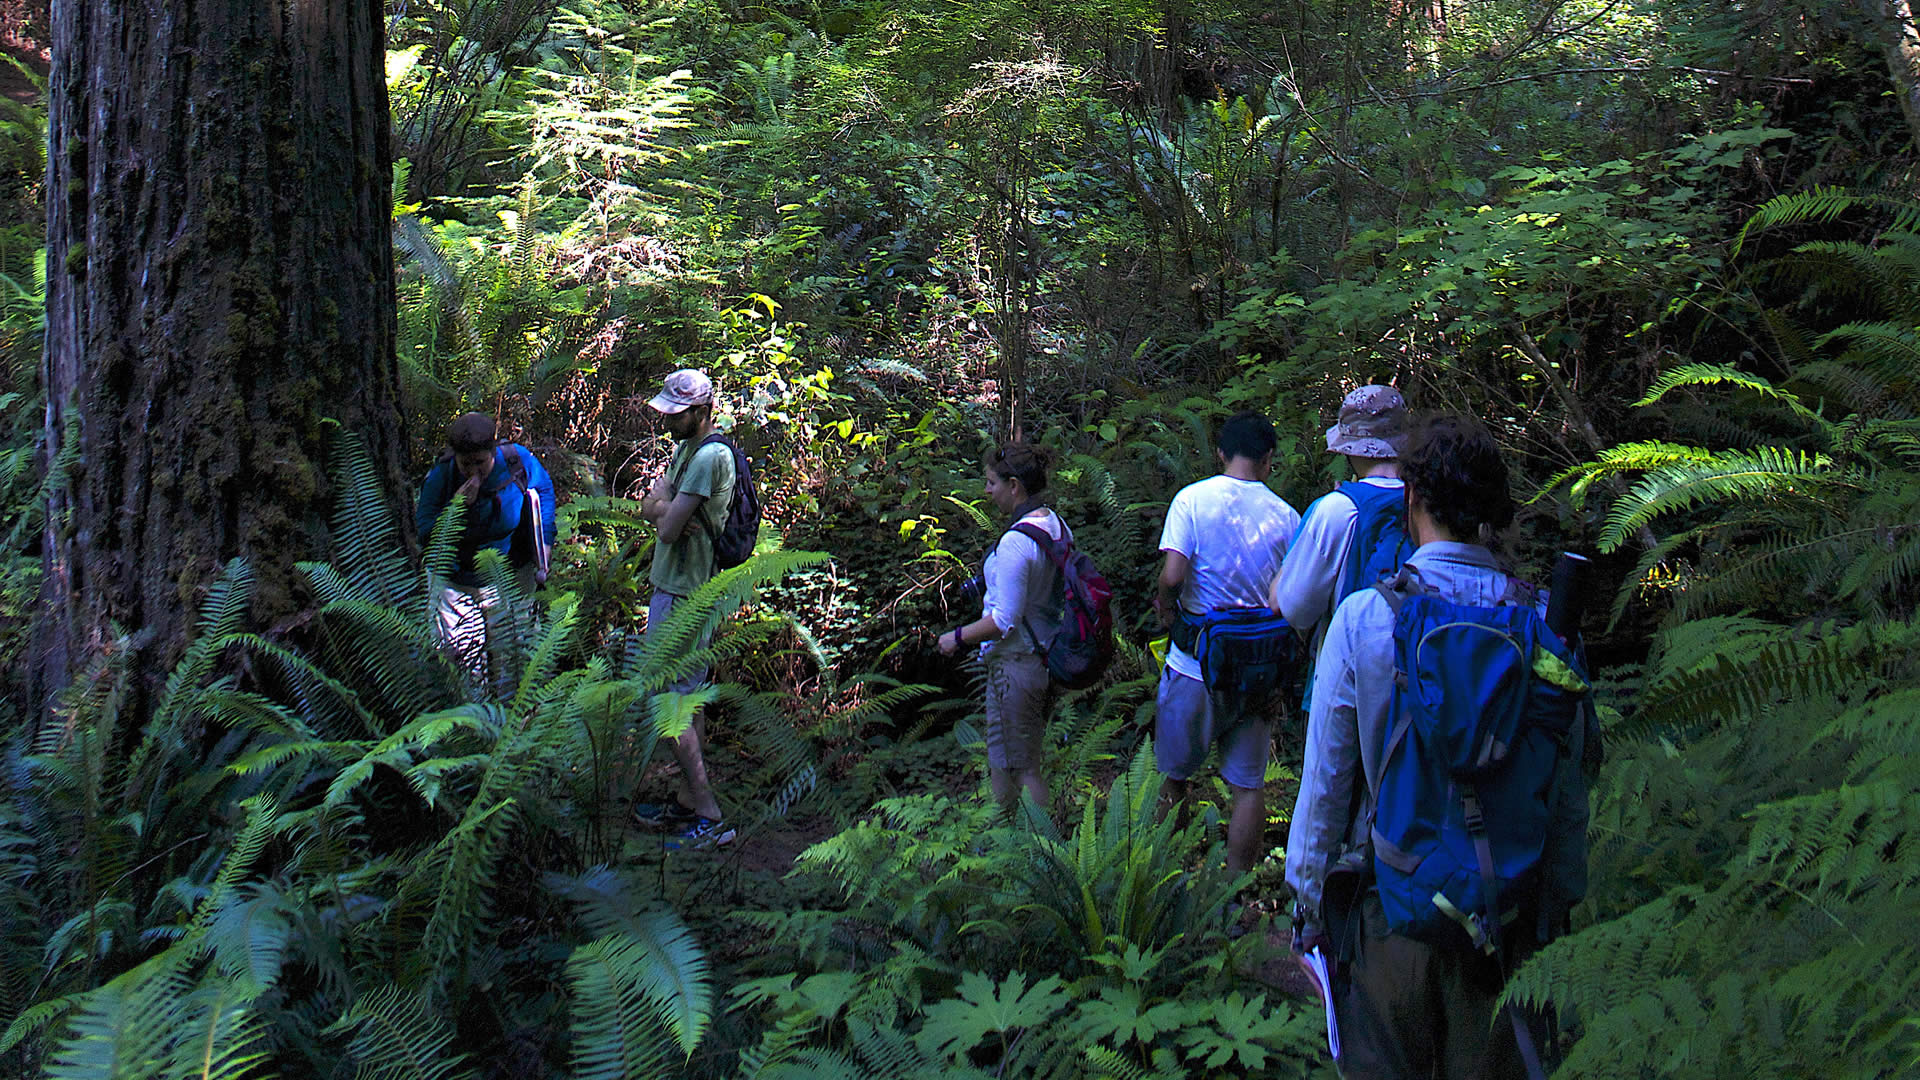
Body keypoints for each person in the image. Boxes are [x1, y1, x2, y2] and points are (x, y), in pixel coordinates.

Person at [1285, 414, 1591, 1079]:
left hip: (1388, 904)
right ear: (1494, 511)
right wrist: (1554, 913)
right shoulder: (1544, 627)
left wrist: (1311, 907)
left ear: (1412, 499)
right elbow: (1566, 791)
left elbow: (1327, 785)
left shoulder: (1368, 618)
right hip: (1508, 921)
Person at [1152, 411, 1301, 872]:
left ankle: (1164, 878)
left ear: (1219, 452)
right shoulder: (1287, 515)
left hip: (1195, 663)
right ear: (1268, 459)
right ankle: (1233, 893)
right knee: (1247, 786)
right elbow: (1291, 598)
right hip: (1256, 669)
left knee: (1173, 777)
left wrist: (1162, 604)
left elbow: (1173, 574)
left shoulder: (1192, 501)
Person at [935, 443, 1068, 810]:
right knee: (1005, 759)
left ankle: (1044, 852)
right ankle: (1003, 841)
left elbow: (1004, 620)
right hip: (1041, 655)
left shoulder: (1015, 543)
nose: (987, 491)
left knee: (1024, 768)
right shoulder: (1053, 524)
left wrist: (958, 637)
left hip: (1017, 665)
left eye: (992, 483)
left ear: (1014, 486)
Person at [636, 368, 737, 849]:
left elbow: (667, 530)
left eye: (677, 414)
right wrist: (666, 504)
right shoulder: (685, 450)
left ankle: (710, 811)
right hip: (672, 587)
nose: (667, 421)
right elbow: (651, 506)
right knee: (687, 701)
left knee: (669, 703)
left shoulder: (710, 457)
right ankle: (689, 800)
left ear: (701, 412)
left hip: (687, 595)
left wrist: (667, 507)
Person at [415, 412, 557, 691]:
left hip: (510, 576)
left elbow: (544, 491)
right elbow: (425, 532)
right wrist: (455, 508)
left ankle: (515, 722)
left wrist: (546, 541)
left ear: (492, 452)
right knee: (462, 666)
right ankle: (473, 725)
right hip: (456, 584)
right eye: (465, 464)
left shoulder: (517, 462)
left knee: (515, 657)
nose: (472, 471)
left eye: (479, 463)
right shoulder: (441, 478)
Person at [1270, 385, 1410, 661]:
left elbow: (1294, 608)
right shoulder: (1432, 500)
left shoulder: (1338, 508)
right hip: (1424, 669)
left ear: (1349, 448)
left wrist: (1278, 584)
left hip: (1352, 672)